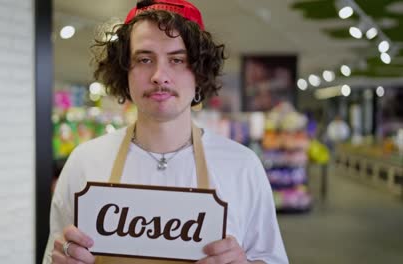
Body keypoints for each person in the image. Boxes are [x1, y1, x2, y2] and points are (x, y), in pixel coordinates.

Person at [43, 0, 288, 263]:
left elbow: (271, 257)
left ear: (199, 72)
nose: (160, 75)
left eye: (177, 59)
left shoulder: (242, 166)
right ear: (125, 71)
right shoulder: (84, 162)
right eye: (144, 59)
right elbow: (53, 254)